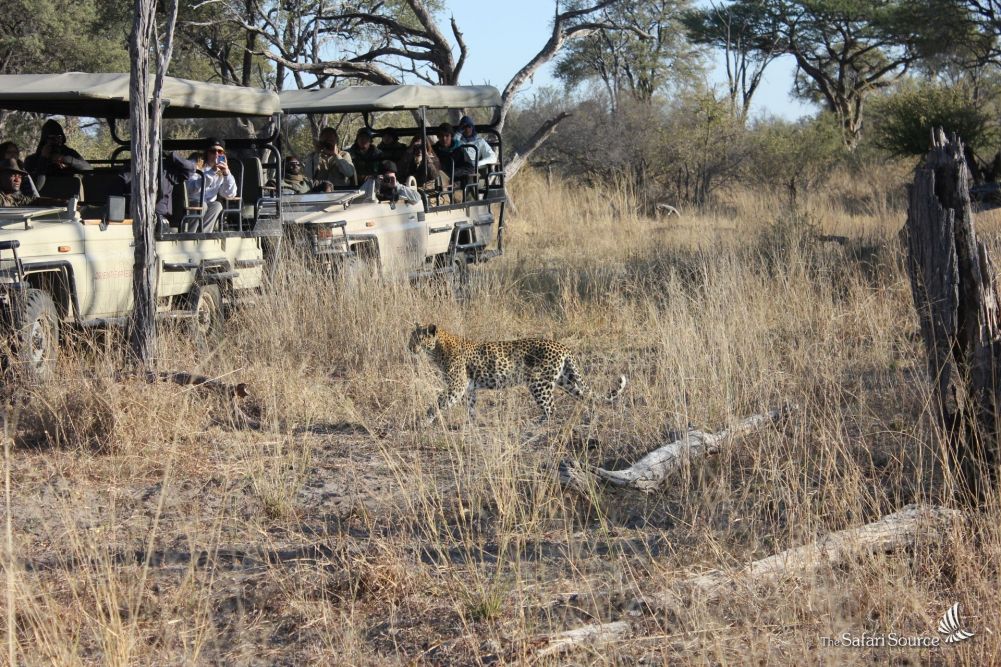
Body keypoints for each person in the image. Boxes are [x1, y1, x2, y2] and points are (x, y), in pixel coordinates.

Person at [185, 137, 237, 232]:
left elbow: (229, 194)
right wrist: (212, 172)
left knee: (217, 205)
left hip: (208, 204)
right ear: (207, 152)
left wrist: (227, 173)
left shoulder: (221, 171)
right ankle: (190, 234)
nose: (216, 154)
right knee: (202, 205)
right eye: (213, 151)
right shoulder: (195, 163)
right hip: (191, 201)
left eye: (220, 152)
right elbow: (191, 189)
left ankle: (204, 235)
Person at [24, 119, 93, 180]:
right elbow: (36, 185)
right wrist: (44, 159)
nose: (56, 141)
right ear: (45, 140)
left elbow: (89, 169)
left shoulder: (68, 152)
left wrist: (65, 159)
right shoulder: (32, 160)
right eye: (52, 138)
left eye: (59, 137)